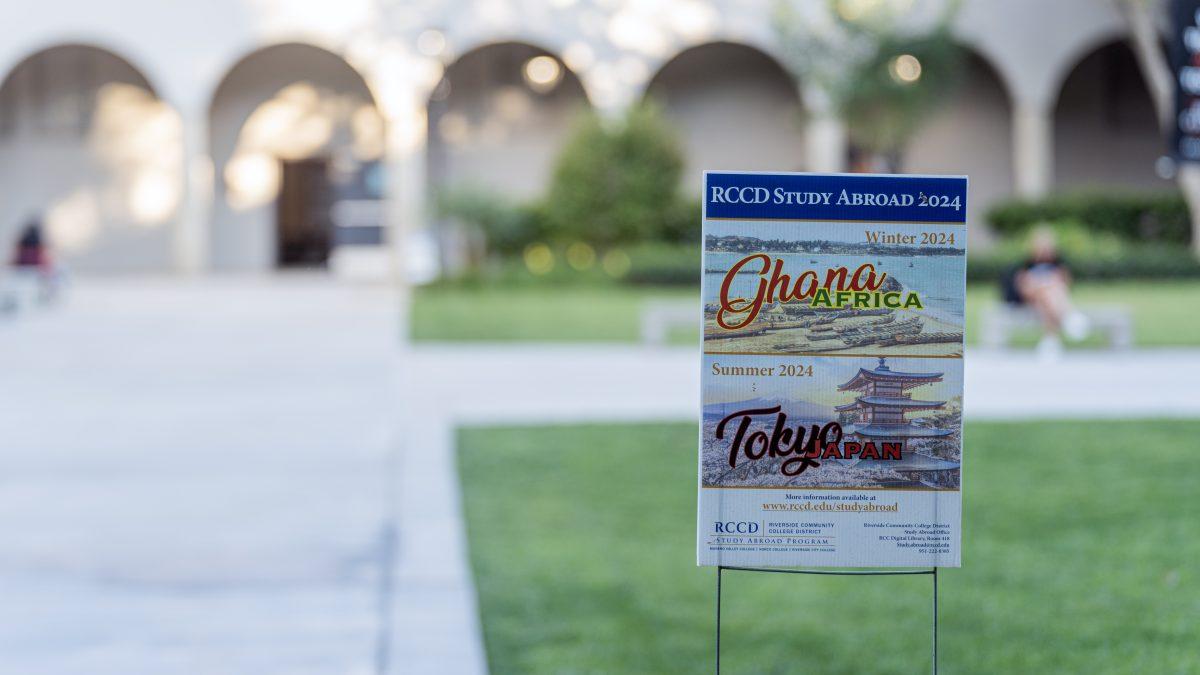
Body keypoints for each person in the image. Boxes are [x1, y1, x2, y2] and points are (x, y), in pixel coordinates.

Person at [1000, 227, 1088, 360]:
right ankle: (1069, 317)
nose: (1044, 251)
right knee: (1045, 290)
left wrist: (1050, 283)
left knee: (1049, 295)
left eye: (1047, 247)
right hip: (1030, 300)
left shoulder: (1059, 264)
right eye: (1041, 247)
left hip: (1047, 301)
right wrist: (1043, 285)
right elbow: (1022, 288)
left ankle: (1050, 340)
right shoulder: (1024, 265)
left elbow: (1066, 284)